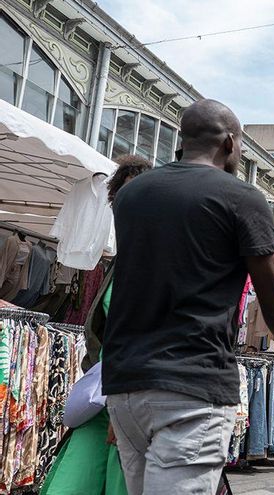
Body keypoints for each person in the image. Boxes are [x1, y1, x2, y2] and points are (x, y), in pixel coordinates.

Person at [102, 99, 274, 495]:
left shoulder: (131, 195)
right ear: (229, 142)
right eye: (241, 145)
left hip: (125, 389)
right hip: (190, 390)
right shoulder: (241, 198)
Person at [40, 155, 151, 495]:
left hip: (135, 401)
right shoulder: (121, 262)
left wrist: (126, 402)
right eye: (123, 201)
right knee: (69, 485)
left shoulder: (162, 260)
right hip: (100, 395)